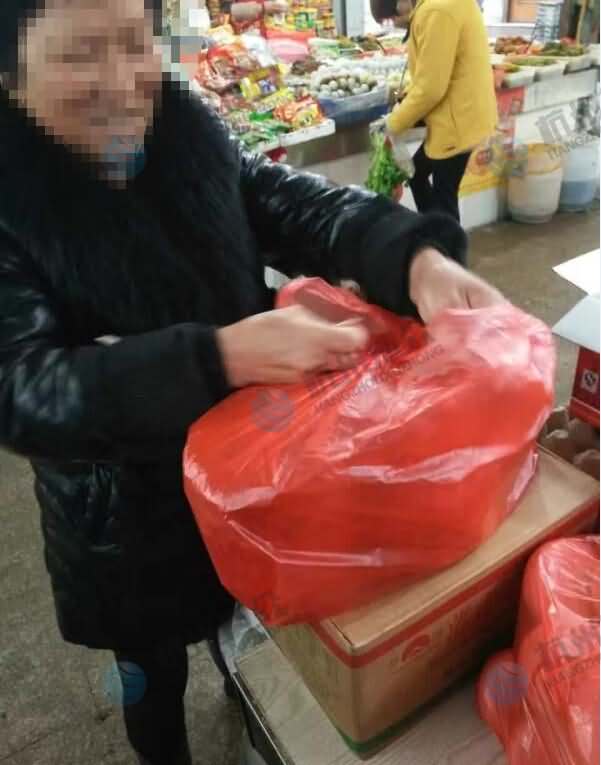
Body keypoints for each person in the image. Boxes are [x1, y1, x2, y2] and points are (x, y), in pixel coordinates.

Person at [0, 0, 504, 762]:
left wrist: (409, 257)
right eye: (78, 54)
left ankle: (245, 693)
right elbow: (23, 390)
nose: (123, 80)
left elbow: (280, 198)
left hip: (252, 471)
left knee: (246, 622)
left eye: (134, 43)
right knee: (150, 672)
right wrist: (218, 359)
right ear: (11, 78)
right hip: (124, 521)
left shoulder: (181, 129)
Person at [371, 0, 497, 221]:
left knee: (445, 203)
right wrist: (406, 99)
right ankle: (433, 233)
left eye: (393, 18)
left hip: (456, 124)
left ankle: (444, 240)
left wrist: (394, 123)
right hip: (465, 114)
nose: (397, 23)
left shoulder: (435, 12)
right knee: (417, 175)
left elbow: (430, 89)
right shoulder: (438, 6)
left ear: (399, 4)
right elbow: (431, 72)